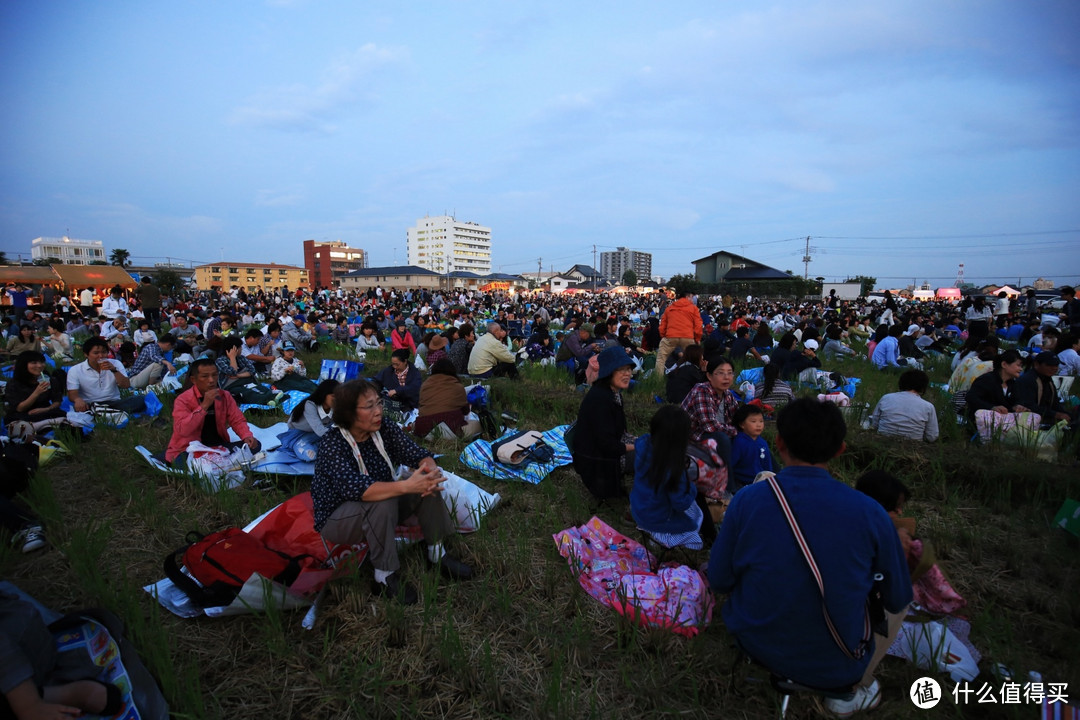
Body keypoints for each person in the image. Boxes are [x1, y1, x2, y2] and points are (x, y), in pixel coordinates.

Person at [709, 399, 912, 714]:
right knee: (902, 596)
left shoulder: (747, 500)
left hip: (754, 640)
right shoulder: (872, 513)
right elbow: (896, 599)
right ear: (840, 450)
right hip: (837, 663)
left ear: (778, 443)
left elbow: (719, 579)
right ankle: (851, 691)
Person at [312, 380, 473, 605]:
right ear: (348, 413)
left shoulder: (384, 428)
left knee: (425, 481)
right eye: (369, 406)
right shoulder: (333, 444)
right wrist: (406, 486)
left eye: (379, 403)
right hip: (338, 518)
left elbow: (416, 453)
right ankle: (383, 575)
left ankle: (437, 553)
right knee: (383, 499)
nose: (378, 411)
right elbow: (357, 488)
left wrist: (429, 468)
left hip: (382, 504)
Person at [630, 405, 714, 550]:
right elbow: (681, 503)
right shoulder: (673, 468)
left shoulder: (643, 444)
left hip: (638, 508)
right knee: (697, 508)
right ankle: (711, 539)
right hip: (657, 520)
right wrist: (693, 487)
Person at [165, 358, 259, 466]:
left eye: (214, 375)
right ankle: (217, 462)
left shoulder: (225, 396)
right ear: (193, 380)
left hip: (218, 446)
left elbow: (237, 419)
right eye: (205, 376)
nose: (211, 380)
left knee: (255, 446)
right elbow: (183, 431)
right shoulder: (183, 400)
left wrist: (246, 436)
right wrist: (204, 406)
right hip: (190, 449)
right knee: (181, 462)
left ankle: (216, 460)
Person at [571, 345, 636, 500]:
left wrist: (639, 441)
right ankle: (643, 507)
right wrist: (637, 446)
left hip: (603, 454)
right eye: (622, 370)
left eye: (629, 369)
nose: (628, 374)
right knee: (651, 456)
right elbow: (607, 445)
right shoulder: (601, 399)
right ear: (609, 372)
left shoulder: (613, 394)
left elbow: (619, 433)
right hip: (597, 463)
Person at [682, 356, 739, 472]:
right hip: (691, 441)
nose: (726, 378)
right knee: (722, 438)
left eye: (730, 373)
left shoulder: (728, 395)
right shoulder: (701, 391)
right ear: (709, 376)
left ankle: (770, 477)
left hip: (712, 438)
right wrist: (737, 431)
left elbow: (738, 419)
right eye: (721, 373)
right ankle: (729, 486)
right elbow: (710, 426)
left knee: (751, 439)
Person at [66, 337, 147, 415]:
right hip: (90, 403)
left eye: (104, 352)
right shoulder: (75, 370)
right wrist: (77, 399)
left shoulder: (116, 364)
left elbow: (126, 385)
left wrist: (114, 370)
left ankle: (101, 412)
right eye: (96, 353)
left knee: (140, 399)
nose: (101, 356)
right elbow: (72, 393)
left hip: (113, 402)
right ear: (86, 354)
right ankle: (104, 412)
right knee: (80, 407)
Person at [3, 351, 69, 434]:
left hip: (44, 412)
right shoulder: (14, 384)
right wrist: (36, 392)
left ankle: (38, 428)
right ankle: (41, 428)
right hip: (22, 415)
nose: (39, 365)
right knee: (19, 425)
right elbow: (20, 408)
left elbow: (57, 401)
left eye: (41, 362)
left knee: (62, 416)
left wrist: (46, 409)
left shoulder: (49, 380)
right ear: (23, 365)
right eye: (34, 363)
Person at [415, 358, 480, 439]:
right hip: (450, 429)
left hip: (423, 429)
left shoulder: (424, 385)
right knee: (476, 424)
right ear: (452, 371)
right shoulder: (457, 386)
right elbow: (465, 410)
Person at [276, 379, 339, 461]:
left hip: (322, 433)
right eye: (334, 396)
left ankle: (322, 445)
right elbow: (320, 431)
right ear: (324, 394)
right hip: (299, 435)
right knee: (310, 456)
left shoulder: (335, 406)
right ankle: (312, 445)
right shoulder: (310, 405)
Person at [869, 369, 939, 442]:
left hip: (882, 441)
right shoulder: (928, 406)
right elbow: (932, 436)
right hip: (913, 448)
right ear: (923, 387)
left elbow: (875, 424)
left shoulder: (886, 398)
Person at [965, 349, 1029, 421]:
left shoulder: (1013, 384)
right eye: (1018, 365)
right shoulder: (986, 379)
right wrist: (992, 407)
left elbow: (1017, 400)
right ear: (1004, 364)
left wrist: (1017, 406)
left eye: (1021, 366)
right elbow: (971, 397)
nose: (1021, 369)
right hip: (983, 421)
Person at [215, 336, 280, 406]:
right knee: (246, 392)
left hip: (246, 381)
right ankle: (266, 401)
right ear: (234, 349)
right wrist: (232, 358)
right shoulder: (220, 361)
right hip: (231, 386)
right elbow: (232, 372)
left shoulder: (241, 358)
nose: (241, 349)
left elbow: (252, 370)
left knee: (258, 387)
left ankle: (272, 397)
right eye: (240, 347)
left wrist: (238, 375)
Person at [1013, 352, 1075, 425]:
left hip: (1046, 415)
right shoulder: (1027, 380)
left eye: (1056, 365)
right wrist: (1056, 414)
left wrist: (1067, 414)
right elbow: (1029, 406)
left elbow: (1055, 404)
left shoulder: (1047, 379)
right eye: (1049, 365)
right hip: (1032, 419)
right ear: (1036, 364)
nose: (1054, 368)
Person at [728, 404, 774, 493]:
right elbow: (731, 465)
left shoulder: (762, 443)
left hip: (760, 482)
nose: (758, 425)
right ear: (742, 424)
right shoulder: (739, 442)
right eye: (753, 421)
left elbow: (768, 466)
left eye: (761, 421)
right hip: (742, 483)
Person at [655, 288, 703, 373]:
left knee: (661, 359)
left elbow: (662, 326)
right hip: (687, 337)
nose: (692, 300)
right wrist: (697, 339)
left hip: (670, 336)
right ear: (687, 297)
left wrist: (663, 336)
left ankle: (658, 380)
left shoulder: (669, 308)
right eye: (692, 297)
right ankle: (695, 376)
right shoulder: (694, 308)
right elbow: (698, 326)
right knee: (694, 359)